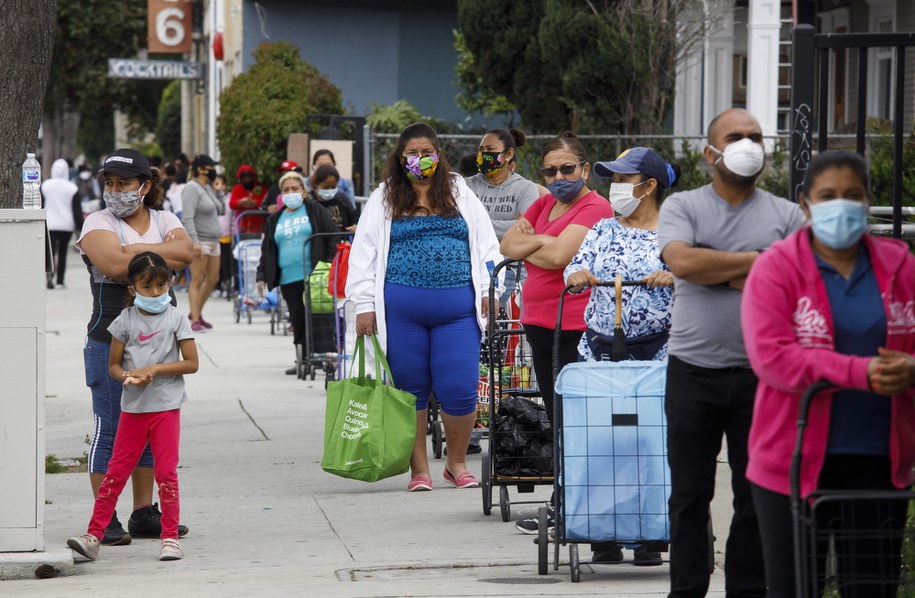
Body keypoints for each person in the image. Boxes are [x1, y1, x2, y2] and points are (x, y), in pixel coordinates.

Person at [741, 151, 915, 597]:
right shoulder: (775, 268)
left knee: (873, 589)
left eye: (853, 195)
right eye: (828, 196)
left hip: (880, 460)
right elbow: (774, 358)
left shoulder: (901, 266)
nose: (842, 204)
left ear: (868, 200)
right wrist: (863, 371)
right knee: (795, 588)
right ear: (805, 205)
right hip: (791, 461)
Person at [657, 108, 806, 597]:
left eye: (756, 136)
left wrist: (711, 266)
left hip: (763, 379)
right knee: (689, 497)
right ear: (710, 153)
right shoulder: (683, 206)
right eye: (736, 136)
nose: (748, 144)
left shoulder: (785, 213)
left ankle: (747, 591)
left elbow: (796, 278)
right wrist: (761, 263)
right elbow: (680, 260)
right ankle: (687, 591)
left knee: (755, 497)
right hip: (692, 373)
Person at [346, 122, 501, 492]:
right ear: (401, 159)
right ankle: (419, 471)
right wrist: (364, 303)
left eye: (426, 152)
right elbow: (363, 254)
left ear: (438, 154)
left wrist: (490, 290)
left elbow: (486, 244)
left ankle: (456, 463)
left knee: (461, 388)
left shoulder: (460, 191)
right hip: (401, 313)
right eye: (412, 154)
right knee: (410, 390)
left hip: (458, 312)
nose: (420, 159)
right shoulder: (384, 197)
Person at [564, 147, 678, 567]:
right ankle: (602, 532)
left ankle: (651, 534)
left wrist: (674, 275)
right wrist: (576, 275)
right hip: (600, 352)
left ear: (648, 186)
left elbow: (695, 273)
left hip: (657, 355)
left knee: (651, 443)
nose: (615, 188)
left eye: (623, 179)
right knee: (603, 442)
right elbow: (575, 267)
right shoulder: (603, 229)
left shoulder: (674, 232)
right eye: (612, 179)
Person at [75, 148, 194, 546]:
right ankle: (104, 517)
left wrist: (133, 255)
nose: (114, 190)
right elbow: (110, 264)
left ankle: (144, 512)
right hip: (109, 343)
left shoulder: (165, 218)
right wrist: (159, 256)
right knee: (111, 429)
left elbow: (187, 252)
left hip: (160, 352)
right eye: (108, 183)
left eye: (123, 183)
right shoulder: (98, 220)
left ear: (145, 186)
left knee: (148, 427)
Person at [501, 131, 613, 532]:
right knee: (557, 416)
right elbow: (507, 245)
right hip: (540, 323)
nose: (558, 176)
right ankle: (564, 501)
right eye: (550, 171)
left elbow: (561, 256)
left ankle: (574, 504)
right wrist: (541, 243)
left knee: (577, 419)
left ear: (584, 169)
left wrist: (538, 242)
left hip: (575, 326)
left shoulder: (595, 207)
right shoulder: (546, 201)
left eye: (567, 168)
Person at [67, 251, 199, 563]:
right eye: (148, 286)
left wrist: (154, 369)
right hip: (133, 410)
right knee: (116, 472)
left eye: (161, 285)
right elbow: (113, 365)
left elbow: (191, 363)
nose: (155, 293)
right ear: (133, 289)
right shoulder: (123, 321)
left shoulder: (177, 319)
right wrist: (127, 376)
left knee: (167, 474)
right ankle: (94, 536)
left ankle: (169, 538)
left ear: (170, 284)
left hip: (166, 409)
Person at [256, 170, 339, 375]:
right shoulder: (274, 219)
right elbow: (267, 250)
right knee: (298, 318)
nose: (290, 193)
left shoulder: (315, 210)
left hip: (316, 275)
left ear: (303, 191)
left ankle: (324, 356)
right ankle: (302, 357)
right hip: (288, 278)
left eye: (295, 188)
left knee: (319, 316)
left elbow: (332, 237)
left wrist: (327, 264)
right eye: (286, 190)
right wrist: (261, 276)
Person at [465, 128, 541, 304]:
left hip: (510, 273)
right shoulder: (466, 186)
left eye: (490, 150)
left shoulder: (525, 188)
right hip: (472, 270)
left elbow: (524, 230)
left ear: (508, 154)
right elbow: (458, 223)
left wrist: (476, 224)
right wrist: (510, 224)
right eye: (481, 150)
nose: (484, 155)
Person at [181, 154, 224, 332]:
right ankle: (195, 318)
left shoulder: (206, 188)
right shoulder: (191, 188)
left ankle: (197, 312)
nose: (213, 170)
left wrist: (218, 190)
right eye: (210, 167)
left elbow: (221, 210)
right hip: (201, 240)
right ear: (200, 169)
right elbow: (188, 216)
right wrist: (194, 241)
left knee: (213, 279)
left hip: (214, 241)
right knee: (197, 280)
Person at [42, 158, 83, 289]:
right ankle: (60, 281)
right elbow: (77, 210)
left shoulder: (45, 185)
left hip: (50, 223)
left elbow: (41, 205)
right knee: (63, 253)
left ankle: (49, 274)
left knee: (50, 252)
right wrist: (81, 227)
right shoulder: (72, 188)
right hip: (67, 224)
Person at [310, 164, 357, 231]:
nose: (330, 190)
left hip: (342, 240)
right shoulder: (310, 202)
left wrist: (354, 226)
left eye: (333, 187)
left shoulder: (341, 199)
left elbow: (354, 218)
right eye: (326, 187)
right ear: (316, 185)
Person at [229, 164, 267, 236]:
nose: (247, 180)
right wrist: (241, 202)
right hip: (241, 227)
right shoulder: (237, 188)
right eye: (245, 179)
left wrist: (254, 202)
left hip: (259, 227)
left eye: (249, 178)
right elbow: (231, 204)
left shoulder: (261, 188)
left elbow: (265, 201)